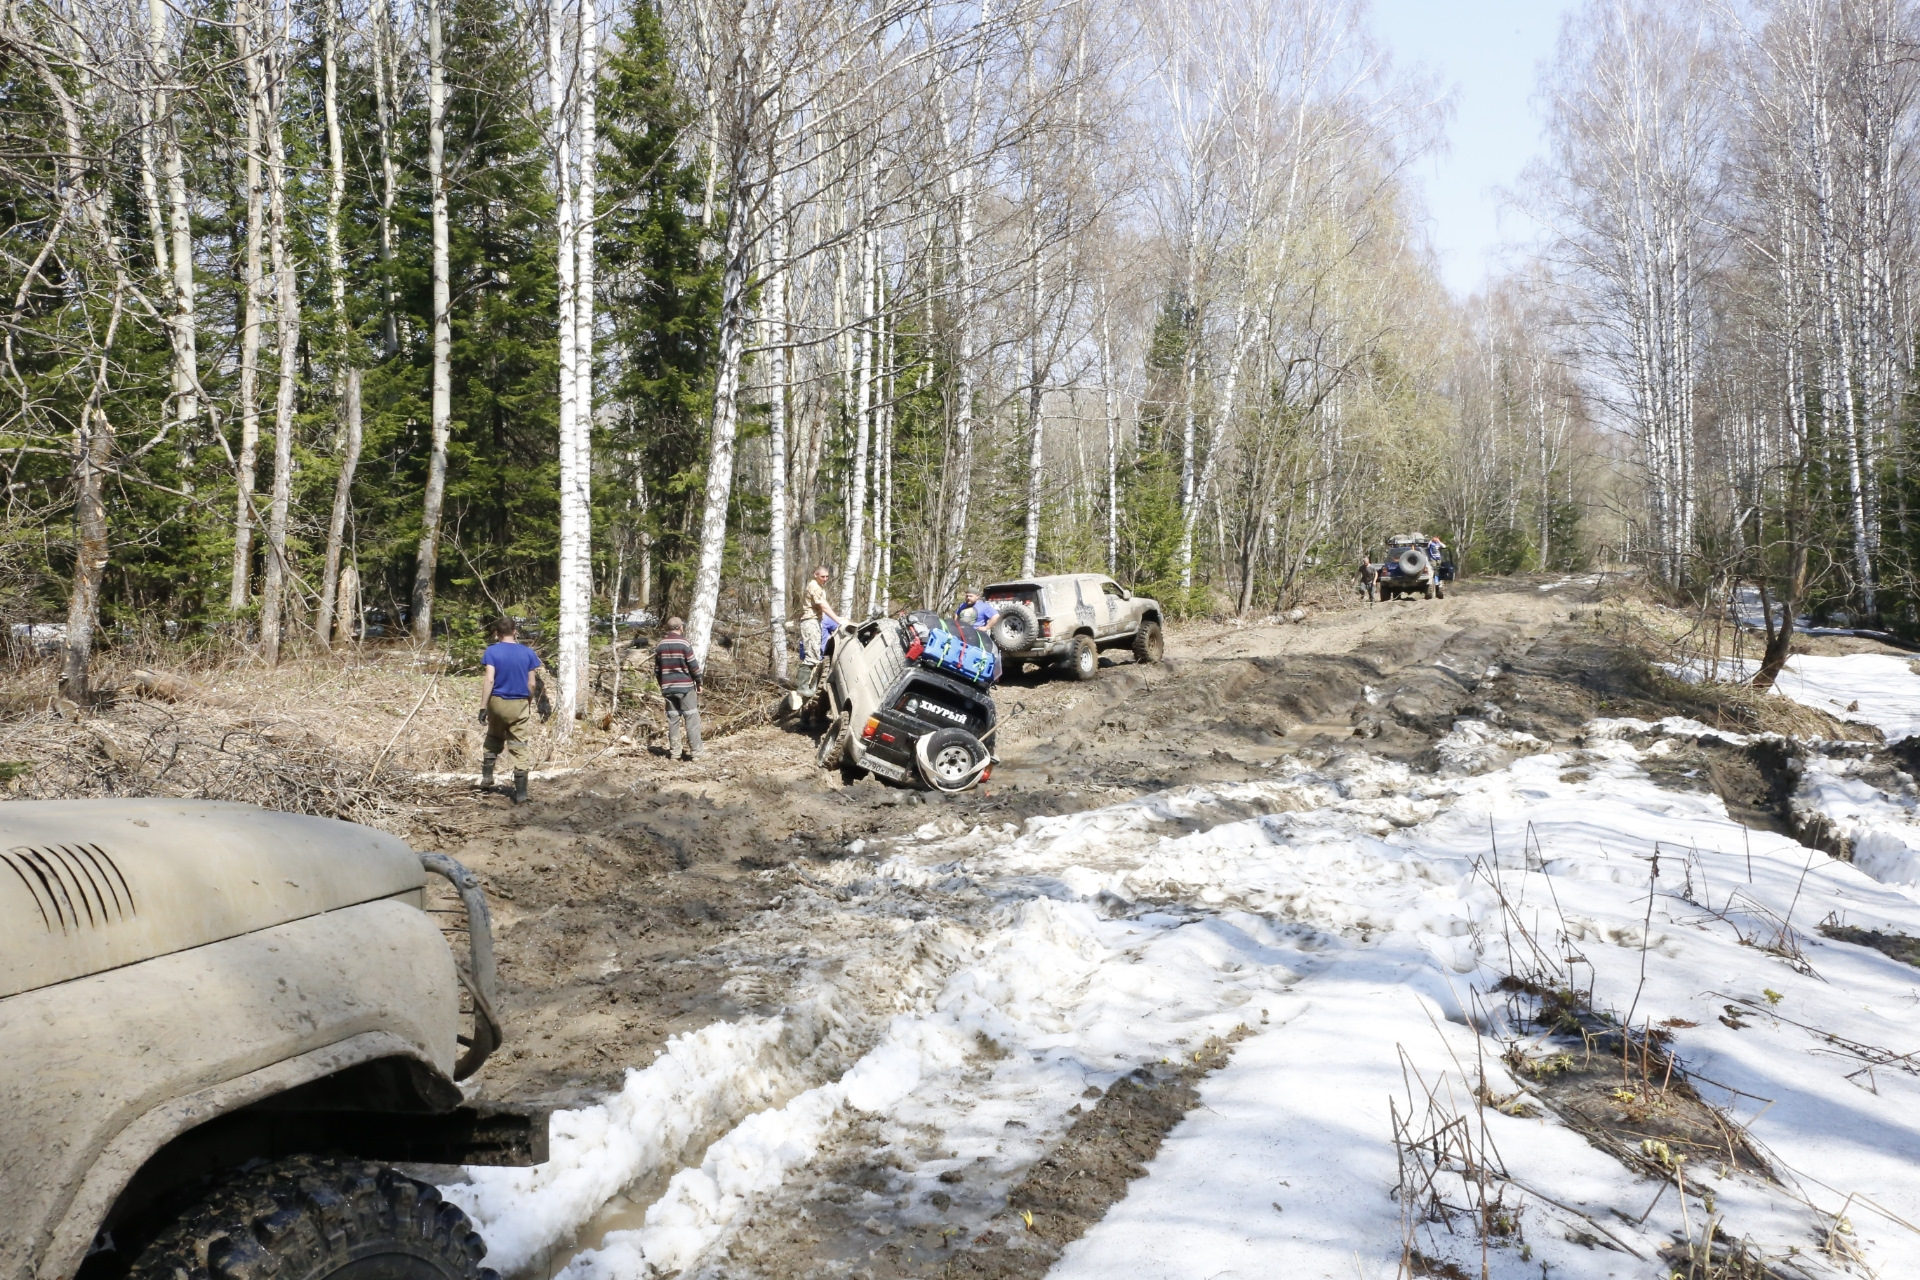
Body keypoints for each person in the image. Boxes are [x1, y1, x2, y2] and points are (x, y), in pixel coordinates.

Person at [478, 617, 548, 805]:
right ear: (515, 631)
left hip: (497, 702)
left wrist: (483, 707)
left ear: (496, 634)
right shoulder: (528, 653)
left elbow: (490, 680)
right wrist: (528, 700)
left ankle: (486, 778)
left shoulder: (492, 651)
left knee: (493, 736)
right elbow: (532, 683)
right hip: (519, 703)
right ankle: (522, 793)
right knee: (519, 745)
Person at [654, 616, 704, 761]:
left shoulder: (660, 645)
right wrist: (699, 682)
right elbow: (693, 666)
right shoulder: (684, 644)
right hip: (686, 688)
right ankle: (696, 753)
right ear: (680, 627)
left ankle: (675, 753)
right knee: (691, 719)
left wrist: (662, 685)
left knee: (673, 721)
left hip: (668, 688)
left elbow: (657, 670)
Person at [798, 565, 840, 696]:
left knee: (816, 654)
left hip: (816, 621)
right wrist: (838, 620)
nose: (825, 579)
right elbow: (824, 607)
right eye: (823, 576)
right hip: (810, 622)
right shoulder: (814, 586)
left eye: (827, 576)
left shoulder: (819, 587)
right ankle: (802, 686)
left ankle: (811, 687)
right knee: (812, 655)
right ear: (815, 575)